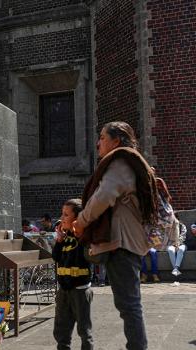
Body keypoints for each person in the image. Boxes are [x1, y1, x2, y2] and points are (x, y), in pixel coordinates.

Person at [72, 121, 158, 350]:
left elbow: (104, 196)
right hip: (127, 242)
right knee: (129, 304)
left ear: (116, 141)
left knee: (129, 305)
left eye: (102, 137)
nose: (98, 142)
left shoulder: (120, 161)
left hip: (123, 244)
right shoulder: (129, 161)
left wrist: (81, 222)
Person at [52, 199, 93, 350]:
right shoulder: (65, 237)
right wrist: (59, 240)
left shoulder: (84, 237)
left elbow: (86, 257)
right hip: (64, 289)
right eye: (62, 214)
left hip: (80, 289)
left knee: (84, 329)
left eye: (65, 215)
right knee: (61, 330)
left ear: (76, 219)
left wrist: (78, 233)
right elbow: (56, 257)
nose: (62, 218)